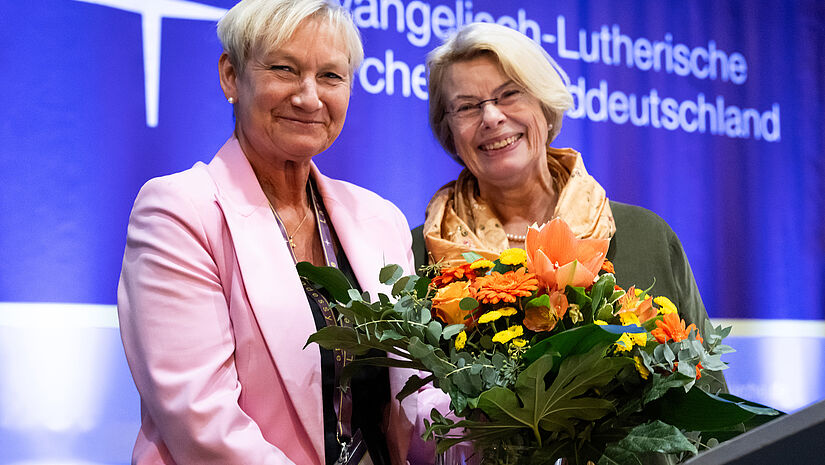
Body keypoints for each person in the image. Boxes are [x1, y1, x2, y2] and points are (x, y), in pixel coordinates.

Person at [117, 1, 426, 463]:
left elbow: (414, 399)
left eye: (331, 76)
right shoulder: (178, 212)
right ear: (230, 76)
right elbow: (203, 421)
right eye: (284, 69)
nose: (309, 97)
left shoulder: (381, 218)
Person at [412, 22, 726, 395]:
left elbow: (711, 401)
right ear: (449, 134)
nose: (492, 117)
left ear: (546, 109)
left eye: (509, 94)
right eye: (466, 107)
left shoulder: (646, 236)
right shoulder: (418, 255)